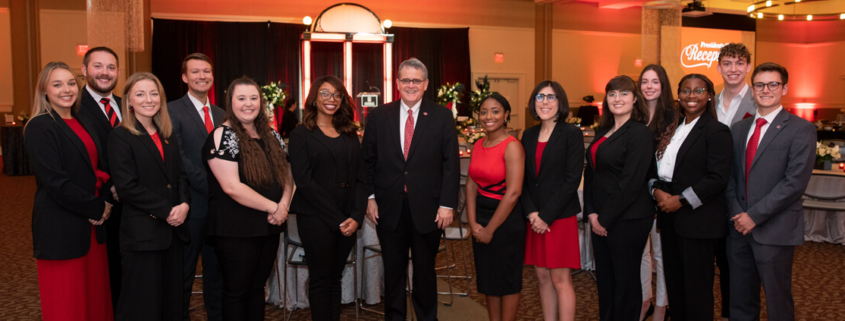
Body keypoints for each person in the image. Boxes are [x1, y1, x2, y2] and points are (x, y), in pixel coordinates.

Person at [362, 58, 460, 321]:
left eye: (417, 80)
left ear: (426, 84)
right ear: (397, 83)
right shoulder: (379, 116)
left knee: (425, 270)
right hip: (387, 207)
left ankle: (427, 317)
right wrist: (370, 198)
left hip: (429, 209)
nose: (411, 85)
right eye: (406, 80)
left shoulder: (441, 116)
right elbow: (367, 162)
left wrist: (447, 204)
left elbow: (451, 164)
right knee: (392, 271)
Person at [725, 63, 815, 321]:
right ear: (752, 90)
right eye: (760, 85)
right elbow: (729, 177)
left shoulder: (801, 129)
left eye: (773, 84)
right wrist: (738, 214)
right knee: (740, 300)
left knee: (778, 302)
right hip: (738, 228)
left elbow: (794, 183)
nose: (766, 90)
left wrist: (754, 216)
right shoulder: (739, 129)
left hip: (775, 229)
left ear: (784, 88)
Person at [25, 61, 114, 321]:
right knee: (68, 304)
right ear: (44, 91)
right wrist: (99, 208)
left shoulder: (80, 120)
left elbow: (98, 168)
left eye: (71, 83)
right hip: (62, 226)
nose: (66, 89)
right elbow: (55, 182)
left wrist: (105, 201)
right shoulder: (40, 126)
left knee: (94, 301)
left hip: (91, 228)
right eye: (57, 84)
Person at [204, 76, 293, 321]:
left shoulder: (272, 135)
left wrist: (284, 206)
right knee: (236, 292)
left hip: (269, 227)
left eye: (253, 98)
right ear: (229, 102)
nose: (248, 104)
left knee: (257, 290)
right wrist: (275, 207)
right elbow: (232, 187)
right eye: (241, 98)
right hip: (236, 229)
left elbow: (287, 176)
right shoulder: (224, 135)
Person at [108, 72, 190, 321]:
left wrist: (185, 204)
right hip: (142, 236)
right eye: (140, 94)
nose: (149, 99)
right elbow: (126, 187)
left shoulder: (167, 134)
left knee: (171, 303)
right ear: (129, 101)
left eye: (154, 94)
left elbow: (180, 176)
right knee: (142, 306)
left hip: (173, 234)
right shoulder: (120, 136)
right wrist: (167, 210)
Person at [650, 74, 732, 321]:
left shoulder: (717, 131)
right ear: (678, 95)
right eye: (686, 91)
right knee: (676, 285)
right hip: (669, 220)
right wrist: (656, 190)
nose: (691, 96)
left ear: (709, 95)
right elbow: (656, 169)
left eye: (699, 91)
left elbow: (717, 178)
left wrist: (681, 200)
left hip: (699, 222)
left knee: (697, 291)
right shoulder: (672, 129)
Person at [288, 75, 369, 320]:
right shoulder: (301, 133)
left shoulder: (349, 132)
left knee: (336, 277)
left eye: (336, 94)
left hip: (348, 216)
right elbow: (304, 182)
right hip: (316, 216)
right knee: (321, 279)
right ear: (314, 98)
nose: (331, 99)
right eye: (324, 94)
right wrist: (338, 219)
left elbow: (360, 177)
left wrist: (356, 216)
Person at [584, 75, 655, 321]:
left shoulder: (639, 134)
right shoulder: (603, 131)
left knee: (625, 281)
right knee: (605, 280)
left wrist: (604, 219)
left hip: (629, 219)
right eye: (613, 94)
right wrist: (592, 213)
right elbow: (591, 173)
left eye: (624, 93)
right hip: (600, 217)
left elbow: (631, 183)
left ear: (635, 99)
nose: (618, 99)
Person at [167, 52, 225, 321]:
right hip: (190, 206)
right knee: (184, 273)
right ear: (184, 77)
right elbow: (179, 159)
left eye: (206, 71)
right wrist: (218, 186)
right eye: (195, 72)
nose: (202, 76)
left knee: (218, 273)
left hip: (220, 210)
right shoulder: (171, 110)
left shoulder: (222, 113)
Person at [521, 81, 583, 321]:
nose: (545, 102)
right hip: (534, 218)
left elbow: (572, 180)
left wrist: (546, 216)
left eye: (551, 97)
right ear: (533, 102)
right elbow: (523, 181)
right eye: (540, 97)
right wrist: (532, 213)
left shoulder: (571, 134)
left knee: (560, 279)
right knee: (542, 278)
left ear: (561, 102)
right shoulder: (528, 135)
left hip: (558, 217)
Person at [466, 93, 526, 321]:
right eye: (483, 112)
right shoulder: (478, 144)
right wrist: (473, 223)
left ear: (506, 115)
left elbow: (513, 193)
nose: (488, 116)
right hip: (481, 216)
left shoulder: (512, 146)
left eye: (495, 111)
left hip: (506, 220)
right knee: (488, 279)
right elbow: (471, 184)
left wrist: (490, 229)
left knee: (508, 280)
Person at [78, 46, 124, 308]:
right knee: (105, 280)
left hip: (133, 206)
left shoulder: (128, 104)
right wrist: (112, 185)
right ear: (85, 70)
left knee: (130, 273)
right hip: (99, 206)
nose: (104, 73)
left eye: (110, 67)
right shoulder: (72, 107)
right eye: (98, 66)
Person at [714, 43, 755, 320]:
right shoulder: (709, 103)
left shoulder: (760, 101)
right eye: (728, 63)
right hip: (711, 196)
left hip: (743, 195)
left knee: (739, 267)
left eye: (740, 63)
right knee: (713, 260)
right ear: (719, 67)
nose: (733, 69)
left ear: (748, 67)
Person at [637, 64, 676, 321]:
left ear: (663, 85)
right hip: (636, 196)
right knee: (640, 254)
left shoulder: (675, 117)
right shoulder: (632, 115)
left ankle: (662, 306)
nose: (649, 86)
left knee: (661, 254)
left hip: (662, 194)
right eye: (644, 81)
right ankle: (644, 301)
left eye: (655, 81)